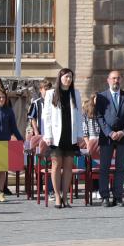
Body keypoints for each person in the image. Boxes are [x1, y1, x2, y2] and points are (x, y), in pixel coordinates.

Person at [42, 68, 85, 209]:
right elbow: (46, 116)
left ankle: (65, 195)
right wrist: (47, 135)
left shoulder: (75, 94)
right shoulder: (51, 94)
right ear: (60, 78)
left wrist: (79, 135)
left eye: (71, 77)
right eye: (66, 76)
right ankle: (57, 196)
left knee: (68, 166)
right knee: (56, 165)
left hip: (70, 134)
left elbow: (79, 116)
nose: (69, 79)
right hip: (56, 136)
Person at [95, 70, 124, 207]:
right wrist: (109, 132)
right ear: (108, 80)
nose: (115, 81)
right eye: (113, 78)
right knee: (104, 168)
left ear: (121, 80)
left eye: (118, 78)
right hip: (107, 138)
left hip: (123, 138)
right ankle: (105, 196)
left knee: (121, 168)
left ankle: (118, 197)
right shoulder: (101, 97)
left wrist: (123, 132)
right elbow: (99, 117)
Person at [82, 92, 101, 202]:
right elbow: (84, 129)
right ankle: (93, 189)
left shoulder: (102, 110)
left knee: (101, 167)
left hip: (101, 141)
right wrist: (88, 142)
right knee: (92, 166)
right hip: (91, 139)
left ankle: (99, 189)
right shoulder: (86, 112)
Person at [27, 79, 52, 154]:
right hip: (40, 132)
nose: (47, 91)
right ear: (41, 90)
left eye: (49, 89)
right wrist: (36, 131)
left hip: (51, 134)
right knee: (38, 152)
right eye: (46, 89)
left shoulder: (54, 103)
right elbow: (32, 118)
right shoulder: (36, 103)